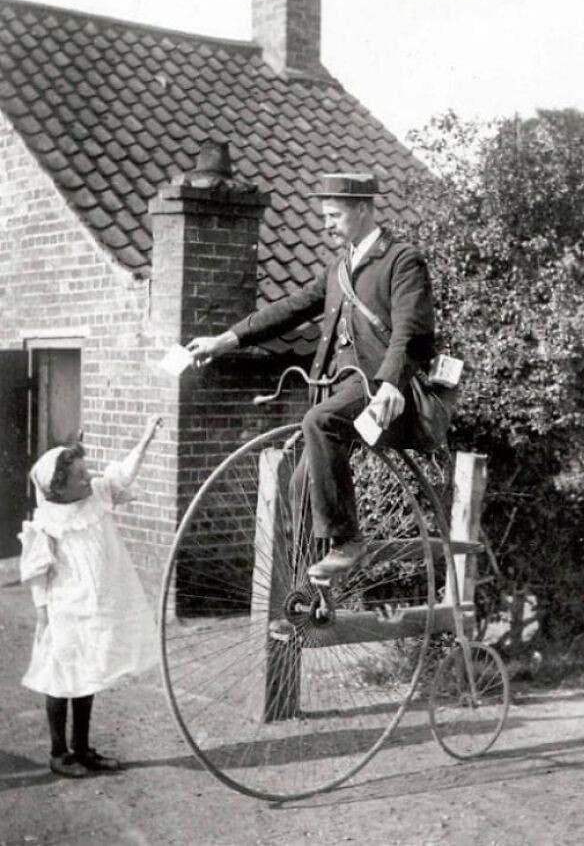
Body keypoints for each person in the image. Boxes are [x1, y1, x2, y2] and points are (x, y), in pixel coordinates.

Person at [187, 172, 435, 579]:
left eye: (335, 214)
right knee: (301, 488)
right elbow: (292, 307)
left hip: (378, 387)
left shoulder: (401, 260)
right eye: (325, 216)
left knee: (319, 421)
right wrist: (227, 339)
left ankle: (348, 542)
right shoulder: (340, 266)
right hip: (341, 386)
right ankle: (308, 594)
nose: (326, 224)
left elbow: (411, 331)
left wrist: (391, 381)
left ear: (363, 209)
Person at [18, 416, 162, 778]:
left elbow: (123, 474)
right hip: (64, 607)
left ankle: (82, 748)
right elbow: (38, 572)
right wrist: (42, 615)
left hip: (95, 605)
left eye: (86, 471)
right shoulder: (48, 522)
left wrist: (144, 439)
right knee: (61, 677)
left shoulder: (97, 493)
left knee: (87, 675)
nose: (88, 478)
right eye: (79, 476)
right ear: (58, 490)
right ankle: (58, 751)